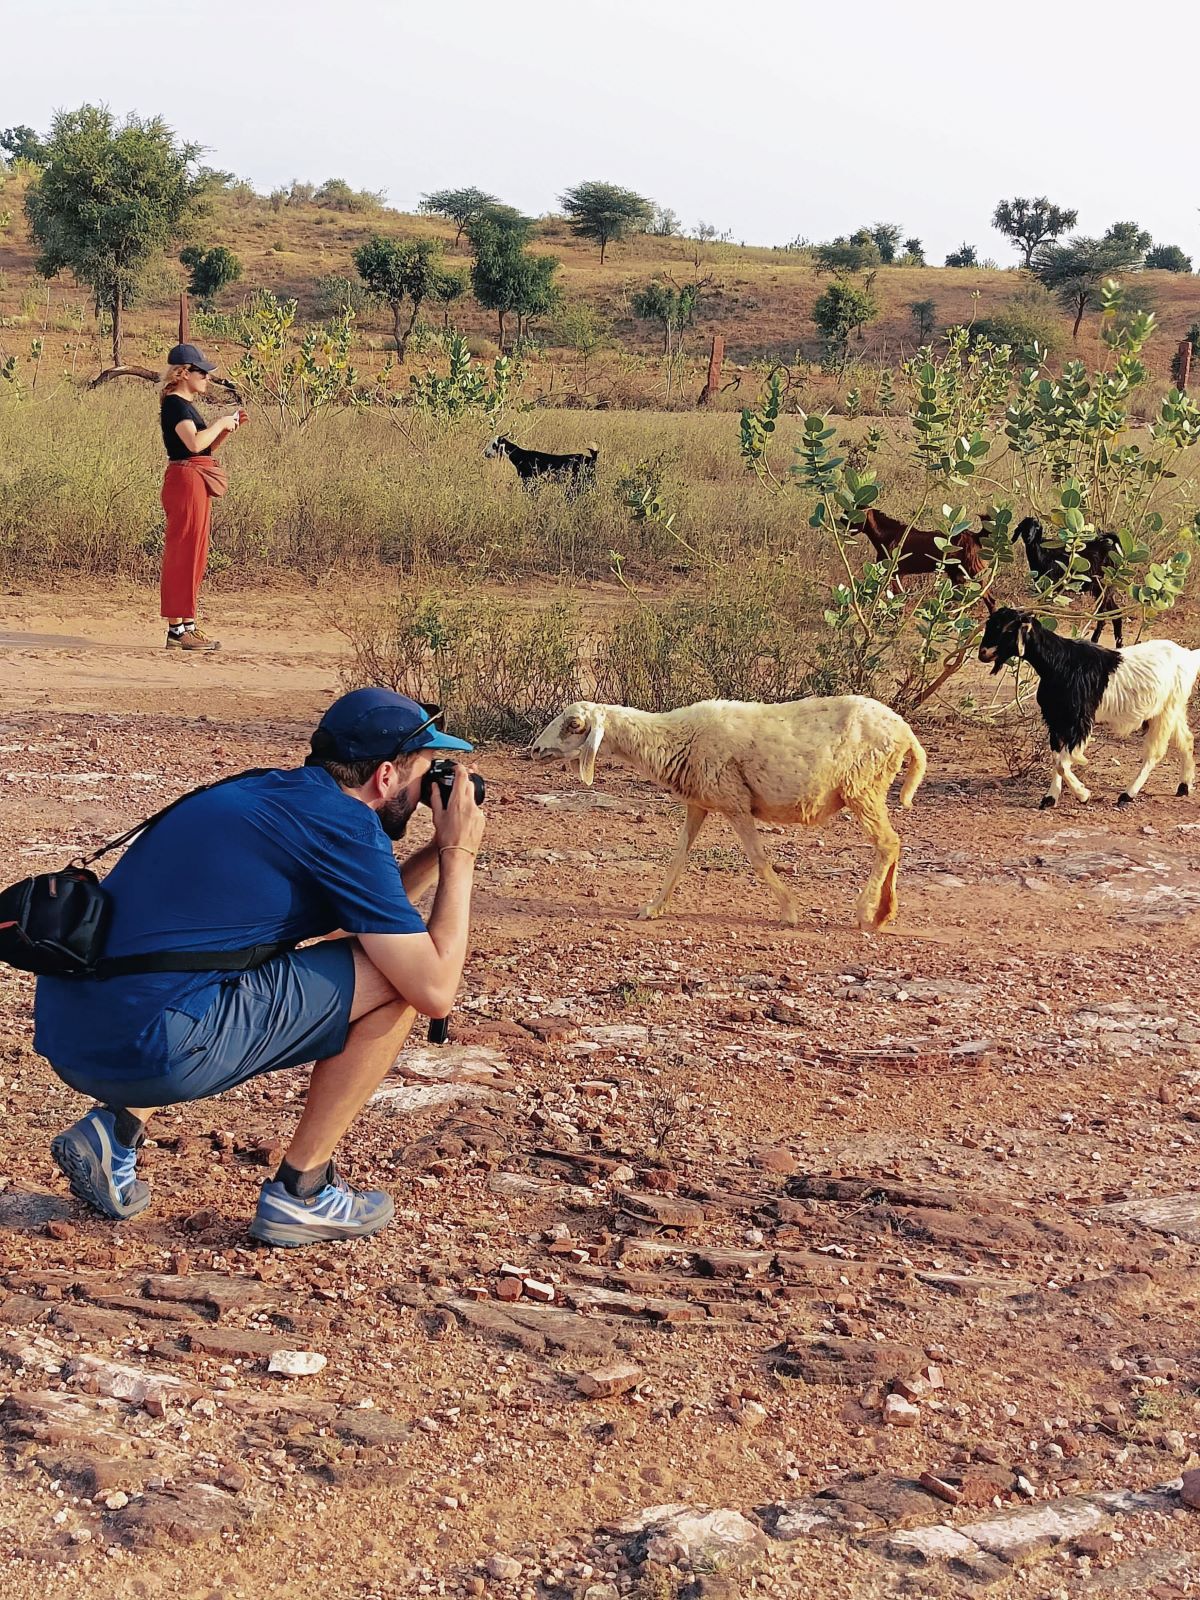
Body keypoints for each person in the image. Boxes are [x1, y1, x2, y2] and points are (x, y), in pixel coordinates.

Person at [33, 689, 486, 1248]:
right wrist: (459, 855)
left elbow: (366, 925)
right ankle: (303, 1192)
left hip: (70, 1033)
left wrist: (436, 849)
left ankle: (113, 1131)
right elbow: (433, 988)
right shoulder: (344, 826)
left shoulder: (257, 793)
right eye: (424, 773)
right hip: (148, 1050)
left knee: (237, 960)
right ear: (387, 776)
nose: (427, 793)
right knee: (397, 985)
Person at [159, 341, 244, 654]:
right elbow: (193, 444)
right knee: (184, 552)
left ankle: (187, 625)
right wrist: (220, 422)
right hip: (186, 480)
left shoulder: (184, 405)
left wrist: (225, 430)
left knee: (194, 553)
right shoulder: (176, 405)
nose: (207, 378)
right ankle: (178, 629)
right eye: (202, 373)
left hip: (193, 478)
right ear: (184, 373)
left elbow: (201, 448)